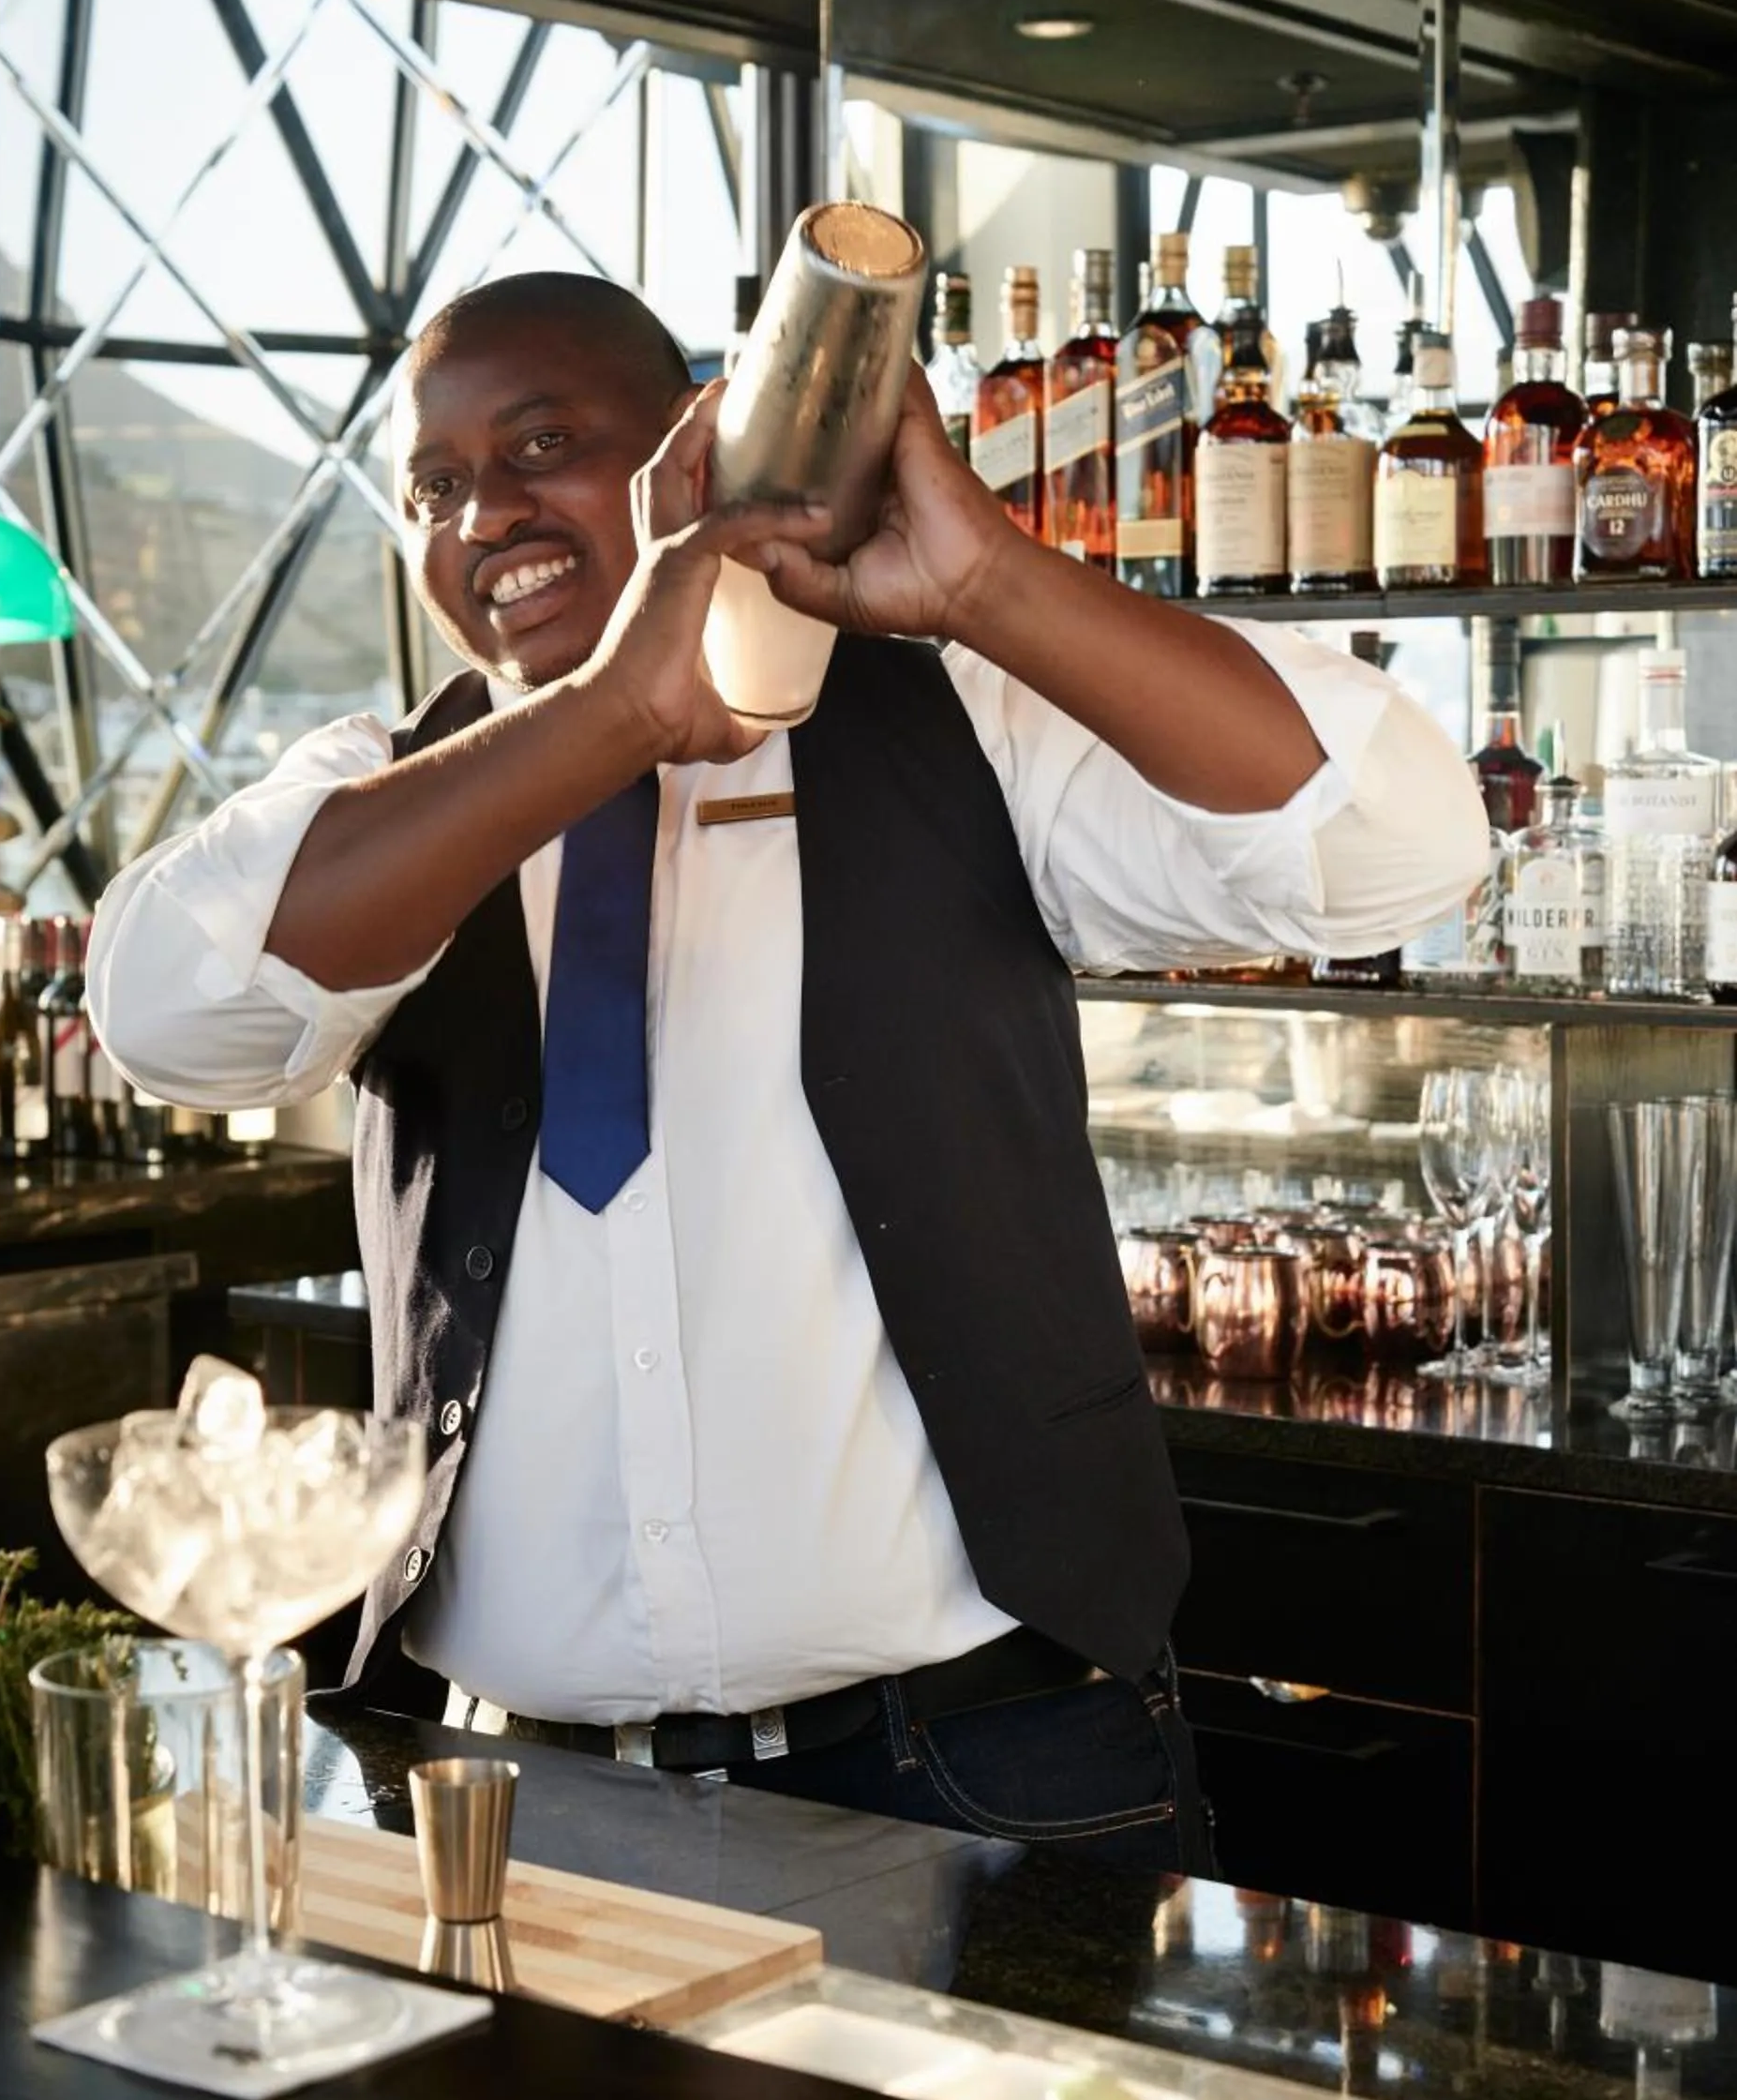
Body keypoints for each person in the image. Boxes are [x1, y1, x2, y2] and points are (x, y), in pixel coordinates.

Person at [89, 269, 1486, 1867]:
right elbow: (164, 1014)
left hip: (975, 1754)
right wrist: (608, 713)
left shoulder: (959, 723)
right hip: (515, 1793)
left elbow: (1402, 847)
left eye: (541, 444)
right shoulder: (384, 800)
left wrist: (987, 583)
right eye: (434, 484)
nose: (483, 511)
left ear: (695, 458)